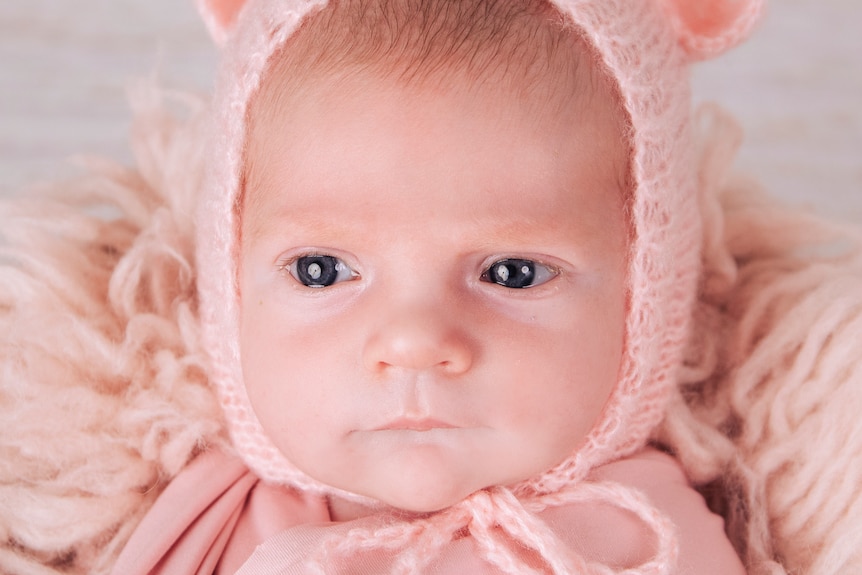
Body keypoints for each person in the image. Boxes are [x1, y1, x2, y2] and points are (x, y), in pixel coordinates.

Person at [102, 0, 768, 572]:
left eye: (512, 273)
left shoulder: (646, 540)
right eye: (321, 270)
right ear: (231, 289)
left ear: (643, 295)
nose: (415, 341)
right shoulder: (201, 524)